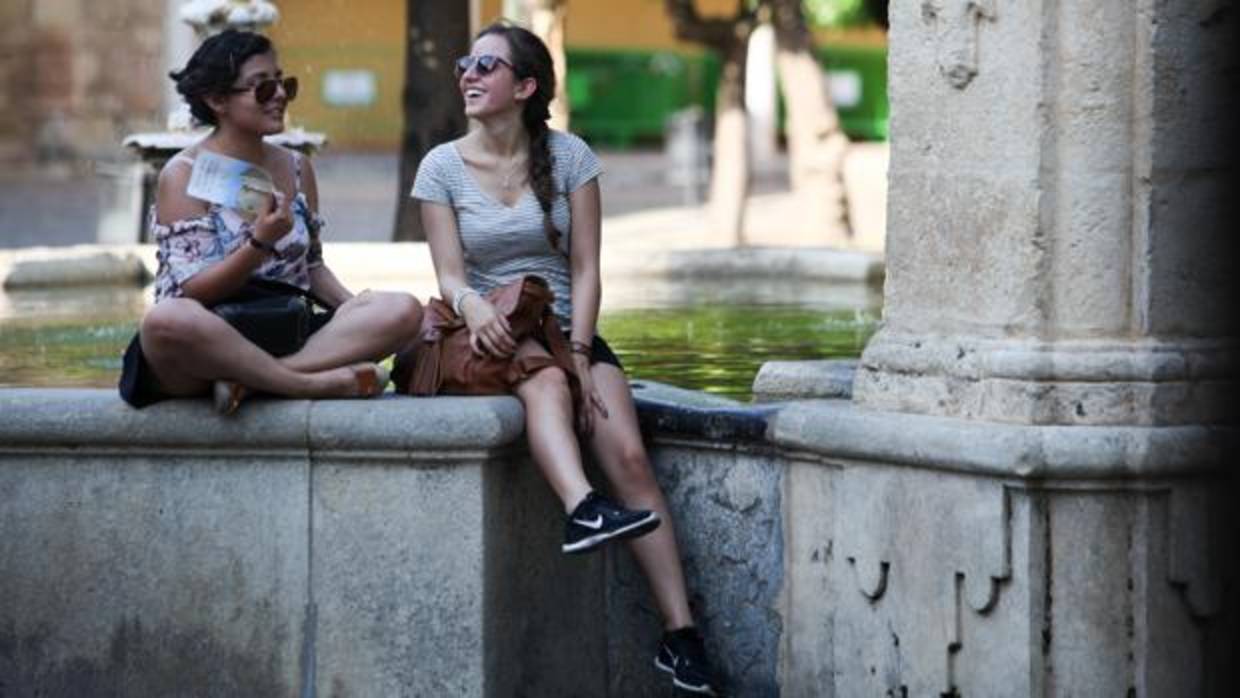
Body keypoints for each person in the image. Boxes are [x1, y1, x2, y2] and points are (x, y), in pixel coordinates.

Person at [411, 22, 718, 695]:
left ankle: (680, 636)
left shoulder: (570, 156)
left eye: (486, 66)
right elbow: (449, 275)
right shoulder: (441, 166)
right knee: (544, 382)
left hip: (562, 329)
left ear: (523, 87)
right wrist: (475, 309)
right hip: (490, 330)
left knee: (629, 456)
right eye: (466, 62)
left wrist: (581, 351)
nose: (468, 73)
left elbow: (585, 269)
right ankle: (582, 507)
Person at [119, 30, 421, 413]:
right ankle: (303, 383)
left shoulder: (296, 167)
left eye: (283, 83)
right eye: (262, 88)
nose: (279, 94)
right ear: (217, 100)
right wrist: (258, 244)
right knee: (164, 321)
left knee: (403, 309)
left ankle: (253, 382)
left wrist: (355, 307)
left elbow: (311, 267)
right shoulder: (182, 174)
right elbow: (192, 293)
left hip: (284, 327)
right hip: (206, 339)